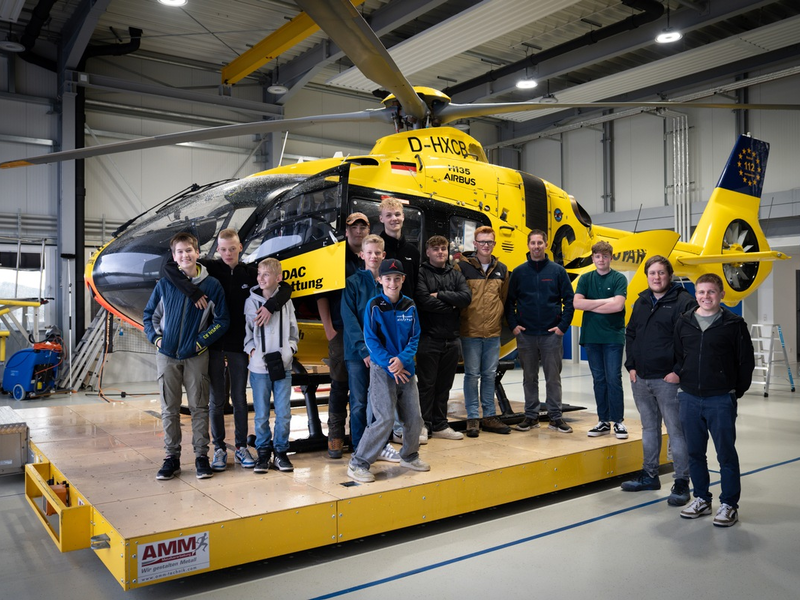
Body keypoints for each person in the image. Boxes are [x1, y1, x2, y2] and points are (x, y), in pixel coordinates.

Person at [162, 229, 291, 472]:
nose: (228, 253)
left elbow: (285, 288)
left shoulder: (251, 273)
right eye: (223, 249)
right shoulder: (211, 269)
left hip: (239, 347)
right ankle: (219, 447)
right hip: (213, 345)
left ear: (240, 247)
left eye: (232, 248)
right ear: (216, 251)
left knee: (240, 398)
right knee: (216, 400)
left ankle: (241, 446)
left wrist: (272, 306)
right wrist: (192, 290)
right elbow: (169, 266)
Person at [144, 232, 230, 480]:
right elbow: (149, 316)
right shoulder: (164, 285)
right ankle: (171, 458)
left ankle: (202, 456)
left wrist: (201, 341)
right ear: (174, 256)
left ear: (197, 253)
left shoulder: (211, 285)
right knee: (169, 409)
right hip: (167, 355)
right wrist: (157, 339)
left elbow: (222, 320)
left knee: (199, 407)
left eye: (189, 250)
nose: (185, 255)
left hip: (196, 356)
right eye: (180, 252)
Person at [674, 273, 754, 527]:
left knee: (725, 454)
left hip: (720, 398)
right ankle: (701, 499)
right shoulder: (684, 321)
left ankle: (729, 504)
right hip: (689, 397)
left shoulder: (734, 323)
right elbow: (678, 355)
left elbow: (746, 362)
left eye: (711, 292)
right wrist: (684, 380)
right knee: (695, 453)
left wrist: (733, 390)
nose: (705, 296)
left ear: (721, 294)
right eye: (701, 292)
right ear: (695, 294)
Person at [621, 256, 696, 505]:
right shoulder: (641, 301)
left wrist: (678, 371)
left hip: (668, 380)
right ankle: (650, 475)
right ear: (647, 275)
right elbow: (631, 333)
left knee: (676, 431)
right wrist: (631, 366)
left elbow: (690, 341)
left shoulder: (684, 302)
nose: (656, 277)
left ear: (670, 274)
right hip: (641, 378)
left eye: (661, 273)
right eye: (652, 273)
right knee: (649, 429)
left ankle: (682, 481)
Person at [347, 259, 429, 483]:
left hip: (406, 370)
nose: (392, 283)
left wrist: (402, 360)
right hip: (382, 370)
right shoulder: (374, 306)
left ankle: (410, 456)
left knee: (414, 417)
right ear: (380, 280)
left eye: (397, 278)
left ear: (402, 280)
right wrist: (391, 364)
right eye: (388, 279)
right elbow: (371, 340)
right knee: (383, 418)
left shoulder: (409, 306)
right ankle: (358, 463)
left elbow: (414, 337)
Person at [505, 229, 574, 434]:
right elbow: (509, 302)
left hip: (551, 335)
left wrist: (562, 327)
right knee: (529, 377)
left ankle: (555, 417)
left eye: (540, 243)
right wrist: (514, 326)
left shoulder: (557, 271)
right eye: (533, 243)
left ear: (545, 245)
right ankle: (531, 416)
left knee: (553, 377)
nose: (536, 246)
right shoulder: (519, 272)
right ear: (528, 245)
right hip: (526, 335)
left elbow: (569, 300)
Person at [341, 234, 400, 462]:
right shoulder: (352, 283)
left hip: (382, 356)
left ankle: (381, 445)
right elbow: (350, 320)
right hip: (357, 355)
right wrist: (365, 351)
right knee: (358, 403)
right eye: (369, 252)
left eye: (378, 253)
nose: (374, 256)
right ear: (361, 255)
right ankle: (360, 447)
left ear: (383, 255)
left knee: (380, 403)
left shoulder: (389, 285)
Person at [318, 212, 370, 458]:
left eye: (363, 226)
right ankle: (336, 433)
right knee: (340, 384)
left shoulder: (372, 257)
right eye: (354, 227)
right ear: (346, 231)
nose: (358, 231)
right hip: (340, 330)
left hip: (368, 332)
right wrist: (329, 328)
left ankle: (362, 436)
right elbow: (322, 293)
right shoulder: (335, 257)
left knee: (366, 387)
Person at [244, 258, 299, 473]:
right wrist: (253, 352)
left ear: (279, 278)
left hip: (283, 366)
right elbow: (247, 332)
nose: (261, 279)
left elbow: (293, 331)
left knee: (284, 412)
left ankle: (281, 451)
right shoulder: (251, 302)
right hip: (259, 369)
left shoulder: (286, 302)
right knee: (261, 413)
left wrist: (289, 350)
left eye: (266, 275)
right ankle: (263, 452)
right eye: (259, 275)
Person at [455, 226, 511, 437]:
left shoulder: (502, 269)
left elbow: (503, 298)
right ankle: (472, 418)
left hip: (493, 333)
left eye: (490, 242)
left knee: (488, 375)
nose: (486, 246)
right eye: (482, 242)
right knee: (472, 375)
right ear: (475, 244)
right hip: (470, 331)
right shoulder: (462, 268)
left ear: (494, 244)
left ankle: (489, 416)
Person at [415, 235, 472, 440]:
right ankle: (423, 425)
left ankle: (440, 424)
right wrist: (451, 305)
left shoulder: (455, 273)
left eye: (443, 248)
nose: (440, 252)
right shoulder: (421, 273)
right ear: (428, 252)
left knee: (444, 385)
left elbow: (466, 298)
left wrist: (439, 295)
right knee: (426, 384)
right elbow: (423, 301)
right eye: (436, 249)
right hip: (428, 338)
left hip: (452, 339)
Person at [574, 241, 629, 439]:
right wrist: (606, 301)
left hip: (613, 336)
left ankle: (619, 422)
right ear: (593, 258)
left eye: (605, 256)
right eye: (598, 256)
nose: (601, 260)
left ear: (610, 258)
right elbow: (577, 303)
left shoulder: (619, 278)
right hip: (591, 337)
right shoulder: (585, 278)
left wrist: (591, 305)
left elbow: (617, 306)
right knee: (599, 379)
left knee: (613, 378)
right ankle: (603, 420)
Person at [378, 196, 420, 298]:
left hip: (406, 309)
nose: (394, 218)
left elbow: (415, 285)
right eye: (388, 215)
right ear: (381, 219)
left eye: (397, 214)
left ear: (403, 216)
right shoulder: (376, 250)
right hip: (380, 309)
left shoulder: (413, 251)